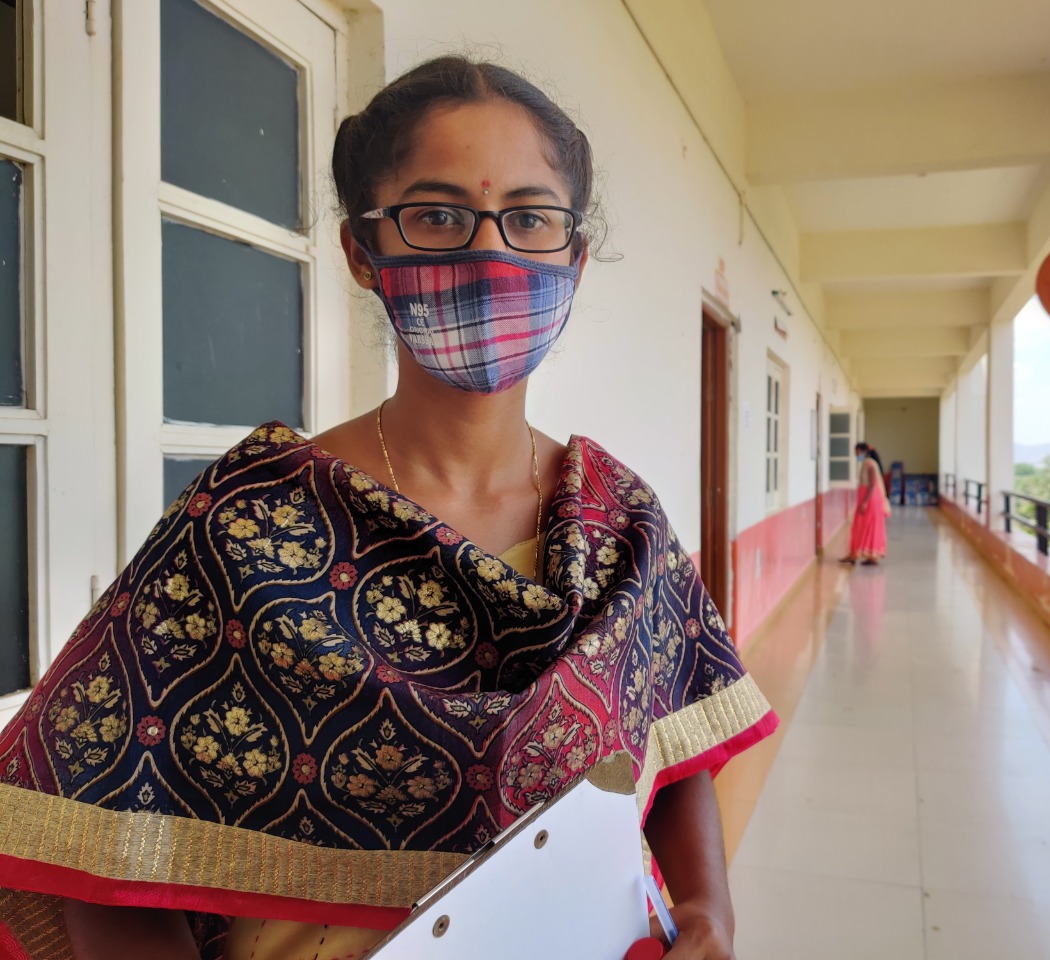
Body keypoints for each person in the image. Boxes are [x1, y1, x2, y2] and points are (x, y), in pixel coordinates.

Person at [0, 56, 776, 959]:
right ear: (363, 253)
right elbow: (88, 831)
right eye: (439, 214)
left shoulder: (619, 524)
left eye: (529, 217)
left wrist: (710, 910)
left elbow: (673, 746)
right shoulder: (249, 521)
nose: (491, 253)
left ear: (574, 256)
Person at [841, 442, 892, 565]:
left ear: (863, 451)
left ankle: (868, 555)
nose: (856, 455)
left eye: (857, 452)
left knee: (867, 524)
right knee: (862, 524)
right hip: (867, 497)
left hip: (870, 498)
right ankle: (859, 554)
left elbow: (872, 484)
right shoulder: (866, 463)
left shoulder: (870, 464)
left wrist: (865, 502)